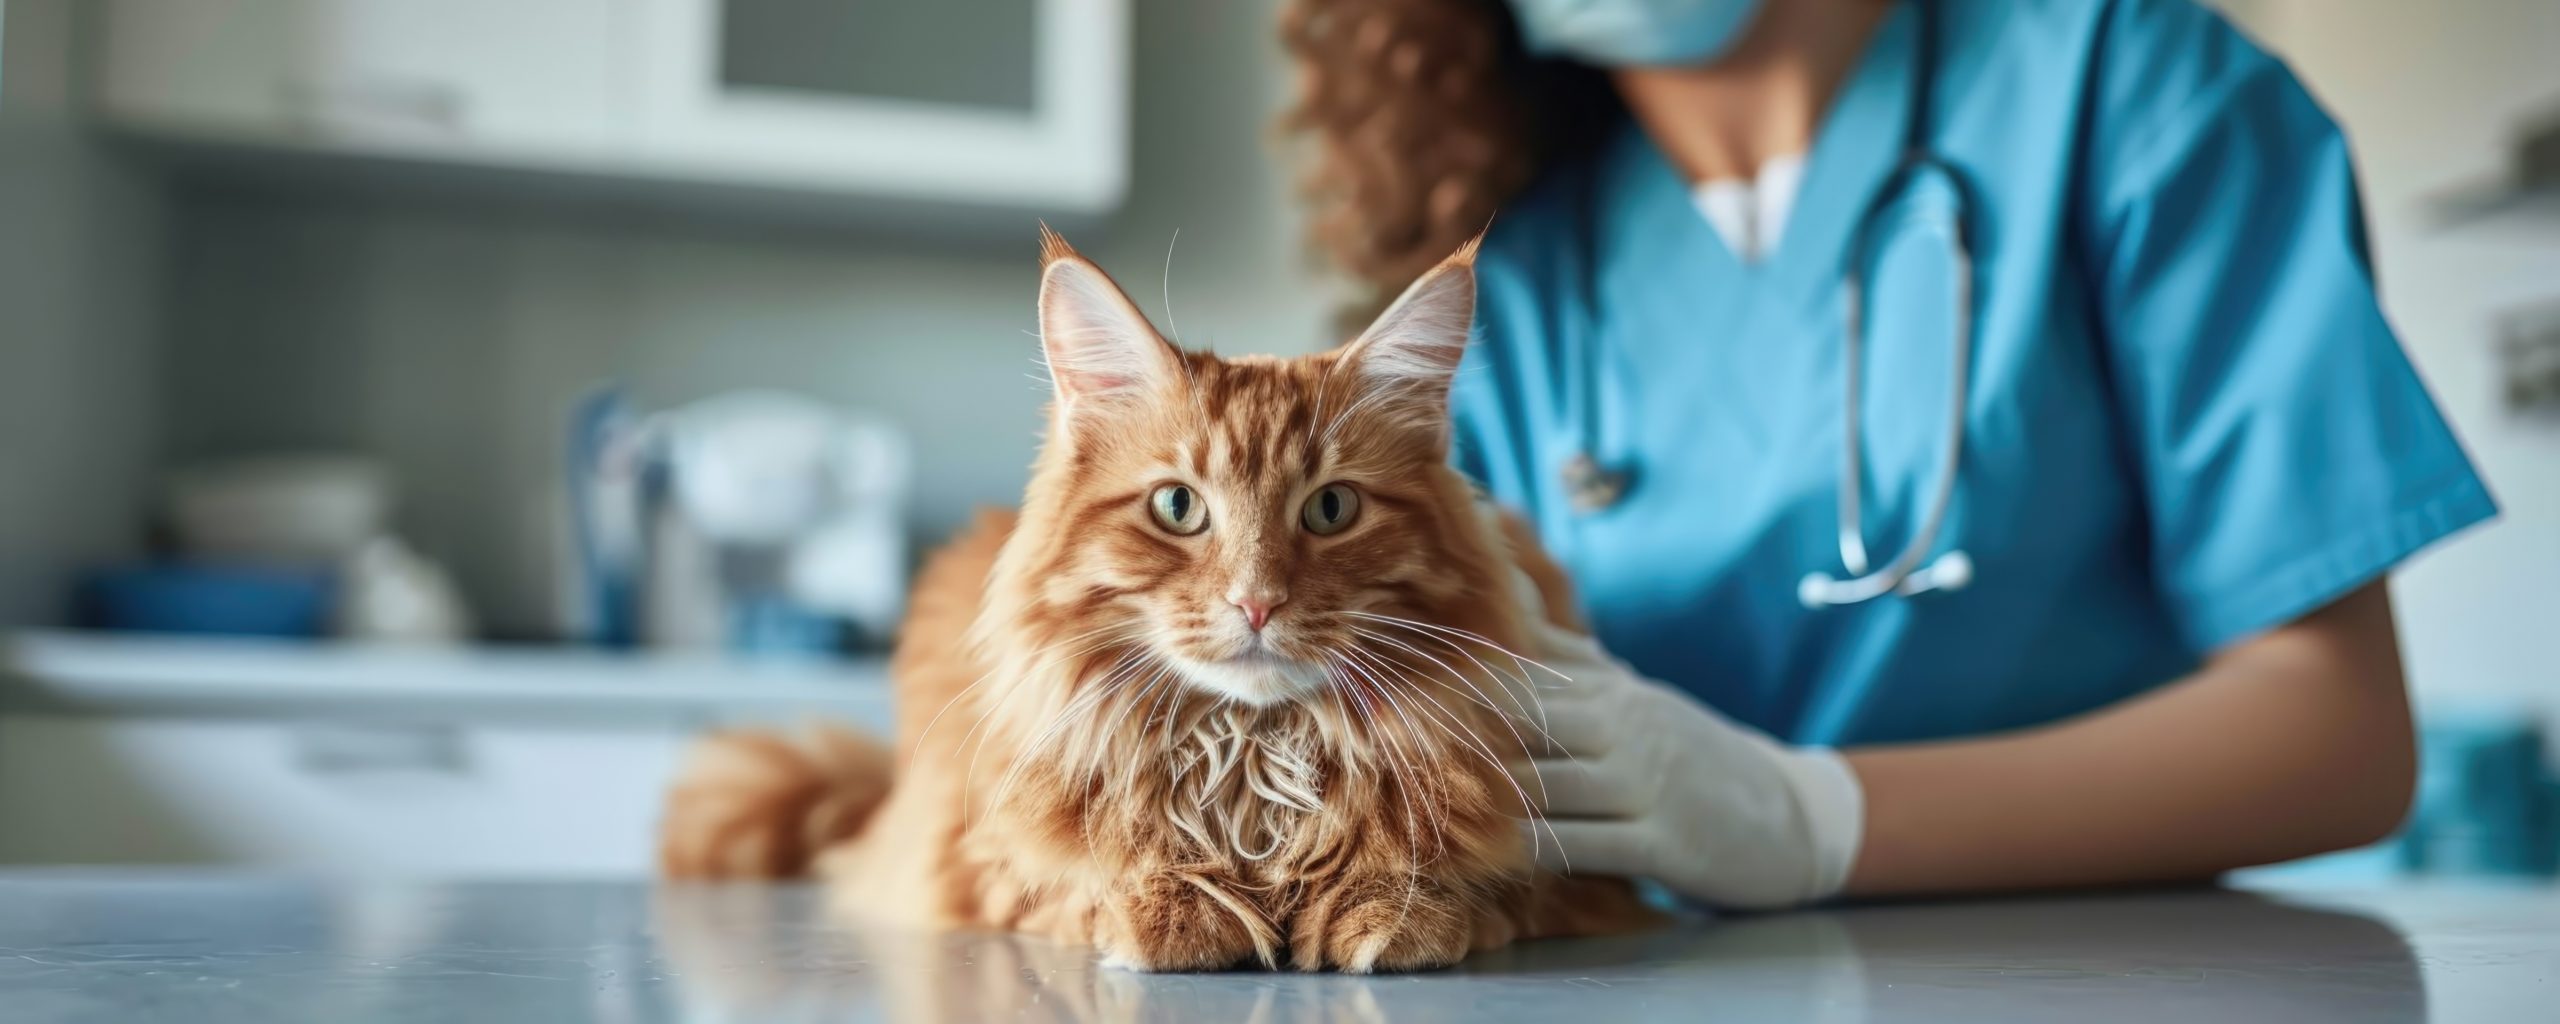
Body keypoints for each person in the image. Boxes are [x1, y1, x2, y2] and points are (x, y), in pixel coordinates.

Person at [1281, 0, 2497, 908]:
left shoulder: (2125, 86)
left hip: (2104, 974)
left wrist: (1813, 819)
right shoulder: (1508, 277)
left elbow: (2340, 736)